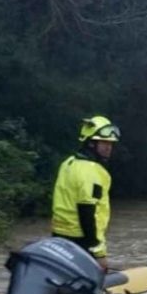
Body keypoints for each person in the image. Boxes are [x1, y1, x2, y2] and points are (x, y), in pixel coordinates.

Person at [51, 115, 120, 270]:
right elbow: (87, 213)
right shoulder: (91, 171)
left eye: (111, 143)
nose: (109, 147)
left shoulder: (68, 163)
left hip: (59, 237)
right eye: (104, 143)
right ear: (91, 143)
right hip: (81, 240)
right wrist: (98, 253)